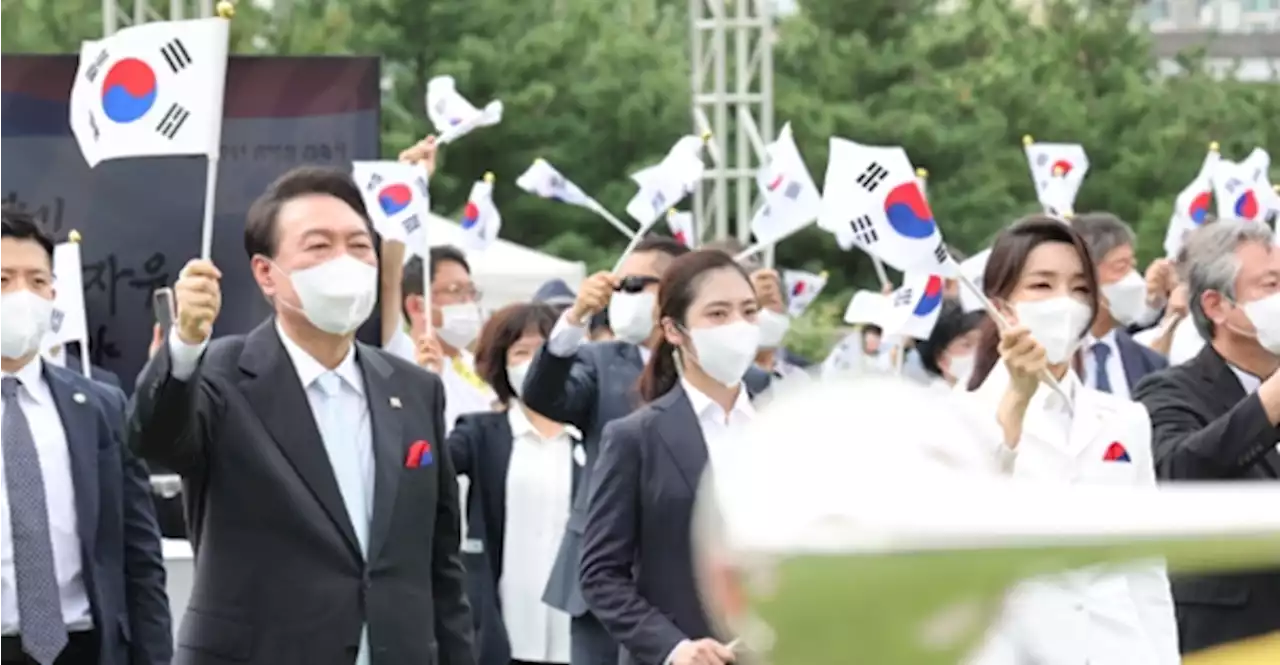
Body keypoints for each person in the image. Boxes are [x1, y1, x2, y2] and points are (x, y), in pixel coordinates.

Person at [129, 166, 474, 665]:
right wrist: (184, 348)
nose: (346, 261)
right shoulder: (219, 376)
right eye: (319, 246)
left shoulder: (415, 389)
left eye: (359, 246)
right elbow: (156, 442)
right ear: (267, 273)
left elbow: (442, 564)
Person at [521, 236, 768, 665]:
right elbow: (601, 573)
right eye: (718, 313)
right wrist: (675, 649)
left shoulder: (781, 418)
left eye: (748, 312)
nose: (737, 326)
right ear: (673, 329)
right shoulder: (633, 429)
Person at [965, 215, 1177, 665]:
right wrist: (1014, 406)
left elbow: (1145, 568)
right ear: (1001, 304)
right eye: (1042, 286)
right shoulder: (956, 416)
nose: (1065, 302)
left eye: (1080, 288)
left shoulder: (1124, 418)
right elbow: (963, 529)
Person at [0, 209, 170, 665]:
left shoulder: (101, 405)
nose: (22, 295)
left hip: (86, 646)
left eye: (37, 281)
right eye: (3, 279)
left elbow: (139, 555)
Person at [1133, 220, 1280, 654]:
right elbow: (1180, 470)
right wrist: (1271, 400)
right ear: (1216, 306)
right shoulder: (1168, 391)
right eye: (1271, 285)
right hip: (1234, 636)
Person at [447, 303, 576, 665]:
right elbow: (426, 466)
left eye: (544, 350)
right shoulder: (479, 434)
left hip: (579, 634)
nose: (534, 363)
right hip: (504, 633)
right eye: (521, 352)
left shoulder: (591, 436)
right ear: (501, 363)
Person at [389, 247, 494, 431]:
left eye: (471, 291)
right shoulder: (398, 360)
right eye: (456, 290)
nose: (468, 302)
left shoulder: (477, 365)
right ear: (416, 305)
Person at [1070, 213, 1168, 398]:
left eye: (1132, 266)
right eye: (1121, 267)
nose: (1133, 280)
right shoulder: (1047, 358)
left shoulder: (1151, 365)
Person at [748, 269, 811, 378]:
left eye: (770, 303)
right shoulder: (720, 377)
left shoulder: (805, 374)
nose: (763, 314)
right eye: (756, 308)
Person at [914, 299, 983, 389]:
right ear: (941, 358)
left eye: (983, 342)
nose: (979, 350)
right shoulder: (931, 400)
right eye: (967, 344)